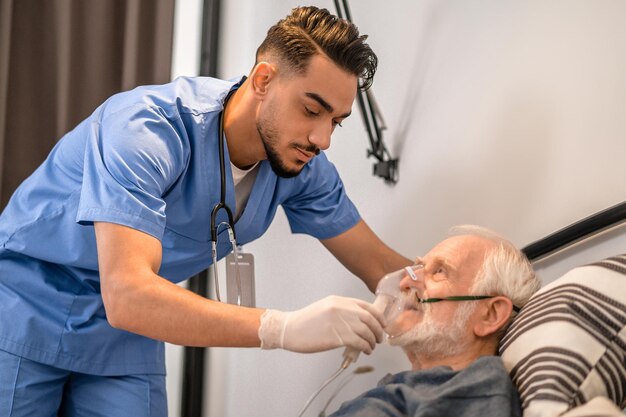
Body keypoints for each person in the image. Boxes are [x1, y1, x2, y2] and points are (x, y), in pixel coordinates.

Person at [0, 6, 411, 416]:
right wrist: (280, 328)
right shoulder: (147, 130)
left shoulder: (301, 166)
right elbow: (127, 294)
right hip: (27, 305)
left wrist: (459, 290)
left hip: (124, 339)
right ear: (264, 80)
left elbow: (383, 268)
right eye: (311, 110)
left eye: (336, 121)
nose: (322, 139)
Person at [328, 225, 541, 417]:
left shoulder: (479, 386)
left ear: (490, 315)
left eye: (439, 271)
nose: (405, 282)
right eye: (418, 268)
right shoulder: (407, 387)